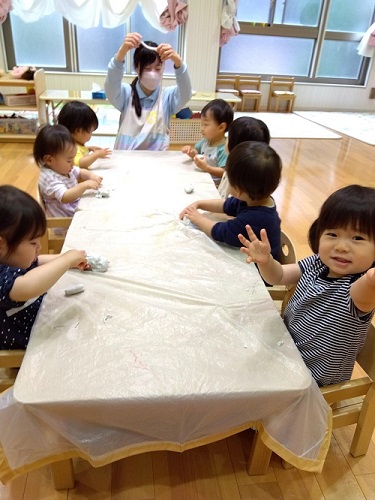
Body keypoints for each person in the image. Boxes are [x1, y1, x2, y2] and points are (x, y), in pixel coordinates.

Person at [238, 184, 375, 387]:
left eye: (357, 238)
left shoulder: (357, 291)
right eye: (332, 234)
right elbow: (279, 276)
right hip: (287, 352)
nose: (341, 246)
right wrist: (266, 262)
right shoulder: (316, 263)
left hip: (313, 382)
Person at [0, 185, 90, 349]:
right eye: (33, 243)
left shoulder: (11, 256)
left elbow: (37, 260)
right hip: (23, 336)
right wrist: (66, 261)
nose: (39, 247)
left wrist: (67, 259)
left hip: (37, 315)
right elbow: (26, 286)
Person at [179, 141, 282, 257]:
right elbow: (226, 205)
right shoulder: (255, 198)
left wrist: (198, 218)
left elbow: (220, 232)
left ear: (238, 191)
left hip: (258, 271)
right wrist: (199, 204)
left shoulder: (254, 219)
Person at [104, 32, 192, 151]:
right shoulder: (126, 94)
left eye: (157, 68)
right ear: (137, 67)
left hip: (155, 164)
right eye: (147, 68)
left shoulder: (167, 97)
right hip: (126, 162)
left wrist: (178, 62)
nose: (153, 73)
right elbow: (111, 85)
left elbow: (186, 93)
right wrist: (122, 51)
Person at [34, 124, 103, 218]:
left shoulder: (62, 168)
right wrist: (85, 185)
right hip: (65, 222)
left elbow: (80, 172)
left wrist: (92, 176)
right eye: (69, 160)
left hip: (75, 209)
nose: (73, 163)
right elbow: (65, 197)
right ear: (49, 160)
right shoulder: (49, 178)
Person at [181, 99, 234, 186]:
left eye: (205, 125)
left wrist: (207, 168)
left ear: (221, 127)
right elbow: (196, 153)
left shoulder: (224, 148)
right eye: (201, 124)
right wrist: (190, 152)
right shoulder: (205, 141)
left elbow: (224, 173)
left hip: (214, 186)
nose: (202, 128)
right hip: (201, 178)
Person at [217, 116, 271, 198]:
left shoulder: (240, 180)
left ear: (235, 146)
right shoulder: (233, 163)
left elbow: (229, 206)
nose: (226, 139)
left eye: (229, 137)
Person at [57, 100, 111, 169]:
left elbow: (80, 152)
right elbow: (80, 163)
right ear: (78, 131)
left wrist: (89, 148)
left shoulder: (73, 143)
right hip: (78, 179)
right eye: (91, 131)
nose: (91, 134)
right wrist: (96, 155)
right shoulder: (70, 148)